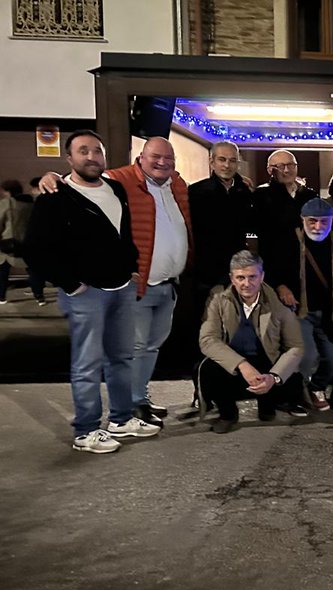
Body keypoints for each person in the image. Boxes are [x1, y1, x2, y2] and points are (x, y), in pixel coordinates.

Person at [37, 136, 194, 424]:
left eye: (168, 158)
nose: (162, 162)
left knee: (147, 347)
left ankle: (137, 400)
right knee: (123, 351)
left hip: (167, 284)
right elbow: (82, 179)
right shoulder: (120, 179)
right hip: (135, 287)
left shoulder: (177, 185)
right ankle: (115, 413)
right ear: (141, 157)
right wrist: (53, 177)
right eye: (155, 157)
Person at [25, 130, 159, 453]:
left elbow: (122, 234)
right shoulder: (55, 196)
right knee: (87, 363)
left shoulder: (115, 189)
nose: (91, 157)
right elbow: (35, 250)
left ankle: (121, 419)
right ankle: (86, 431)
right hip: (86, 293)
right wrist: (71, 284)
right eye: (82, 151)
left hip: (121, 288)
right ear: (69, 158)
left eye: (96, 151)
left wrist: (131, 268)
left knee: (121, 358)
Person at [267, 197, 333, 412]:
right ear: (302, 220)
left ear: (331, 222)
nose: (318, 227)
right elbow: (270, 269)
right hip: (299, 312)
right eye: (312, 221)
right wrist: (281, 286)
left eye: (324, 222)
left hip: (330, 313)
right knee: (305, 356)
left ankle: (314, 387)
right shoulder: (286, 240)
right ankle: (294, 395)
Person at [197, 250, 305, 433]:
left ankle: (269, 403)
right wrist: (241, 364)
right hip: (233, 361)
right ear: (232, 278)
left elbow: (295, 346)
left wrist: (274, 377)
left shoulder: (278, 302)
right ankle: (228, 414)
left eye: (252, 277)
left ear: (262, 276)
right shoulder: (217, 298)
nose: (246, 284)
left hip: (267, 360)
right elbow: (207, 339)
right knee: (207, 369)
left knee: (291, 374)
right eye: (240, 278)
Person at [188, 141, 254, 303]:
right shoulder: (196, 192)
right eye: (222, 160)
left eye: (232, 161)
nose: (227, 165)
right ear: (212, 162)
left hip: (237, 271)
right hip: (205, 273)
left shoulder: (245, 193)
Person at [253, 149, 317, 303]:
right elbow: (265, 244)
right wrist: (277, 283)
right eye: (281, 166)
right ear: (270, 170)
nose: (287, 170)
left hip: (309, 272)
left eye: (291, 165)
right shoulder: (261, 196)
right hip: (279, 270)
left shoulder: (309, 195)